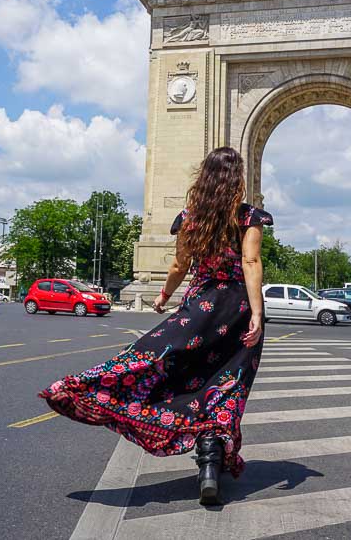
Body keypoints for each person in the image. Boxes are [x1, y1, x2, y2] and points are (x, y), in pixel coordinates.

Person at [40, 147, 272, 505]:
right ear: (237, 179)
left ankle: (84, 388)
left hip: (200, 309)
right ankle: (211, 459)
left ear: (205, 178)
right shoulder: (248, 217)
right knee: (227, 386)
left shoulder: (190, 217)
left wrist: (164, 295)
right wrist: (256, 313)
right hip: (239, 310)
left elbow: (180, 265)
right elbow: (251, 261)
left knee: (158, 360)